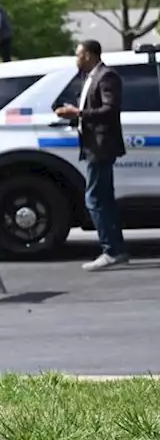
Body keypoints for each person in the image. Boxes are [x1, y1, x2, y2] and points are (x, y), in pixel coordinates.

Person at [56, 40, 128, 270]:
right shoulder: (88, 78)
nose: (76, 58)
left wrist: (78, 113)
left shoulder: (107, 76)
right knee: (104, 198)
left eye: (78, 54)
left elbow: (110, 109)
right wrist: (75, 115)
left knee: (95, 199)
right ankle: (117, 249)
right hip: (92, 145)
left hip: (101, 146)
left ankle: (111, 250)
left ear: (88, 55)